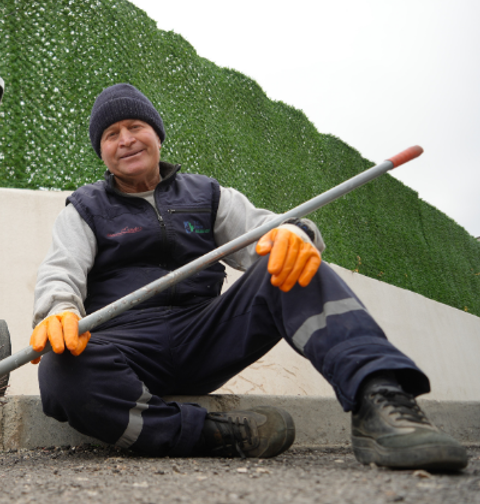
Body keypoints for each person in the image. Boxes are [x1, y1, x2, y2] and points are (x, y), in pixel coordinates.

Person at [30, 83, 467, 470]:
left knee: (293, 262)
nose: (125, 140)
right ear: (102, 152)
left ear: (157, 135)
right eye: (111, 134)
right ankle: (212, 434)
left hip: (207, 336)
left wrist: (296, 233)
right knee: (59, 370)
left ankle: (380, 400)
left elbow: (266, 233)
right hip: (127, 346)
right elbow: (61, 270)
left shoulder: (208, 195)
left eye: (135, 127)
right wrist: (58, 310)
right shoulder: (84, 208)